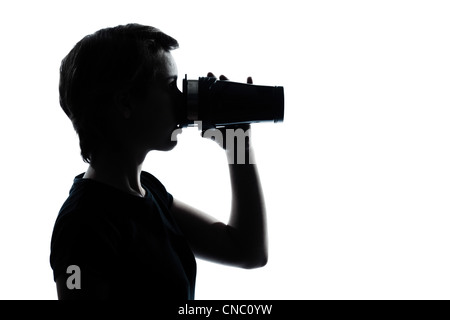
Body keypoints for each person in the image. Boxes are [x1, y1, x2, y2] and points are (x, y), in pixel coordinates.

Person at [50, 23, 267, 300]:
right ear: (125, 102)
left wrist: (238, 144)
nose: (182, 100)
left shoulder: (148, 192)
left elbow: (247, 251)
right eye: (170, 86)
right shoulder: (82, 224)